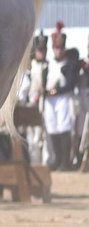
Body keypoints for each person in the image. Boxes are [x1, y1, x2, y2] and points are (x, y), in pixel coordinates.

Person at [39, 22, 80, 171]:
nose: (58, 50)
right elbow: (44, 83)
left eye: (60, 48)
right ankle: (56, 161)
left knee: (63, 128)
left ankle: (65, 162)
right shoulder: (49, 65)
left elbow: (70, 84)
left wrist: (56, 91)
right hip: (50, 101)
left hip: (63, 99)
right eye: (56, 48)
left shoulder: (69, 64)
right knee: (53, 129)